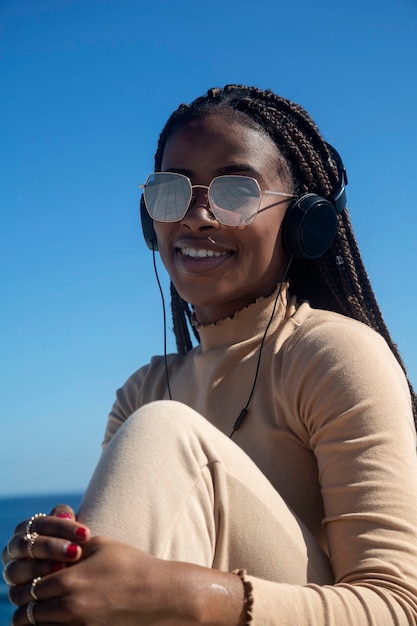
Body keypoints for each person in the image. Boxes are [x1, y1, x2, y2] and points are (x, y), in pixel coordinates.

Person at [3, 84, 417, 626]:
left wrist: (194, 596)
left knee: (163, 428)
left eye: (236, 192)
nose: (196, 217)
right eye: (172, 191)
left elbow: (397, 607)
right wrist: (59, 568)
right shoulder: (142, 390)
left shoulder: (333, 354)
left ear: (303, 220)